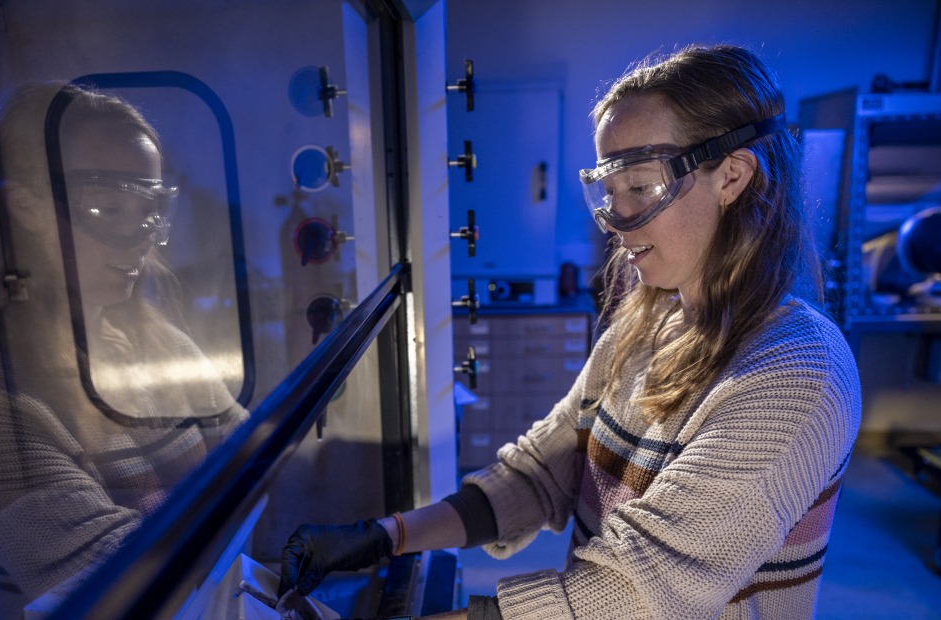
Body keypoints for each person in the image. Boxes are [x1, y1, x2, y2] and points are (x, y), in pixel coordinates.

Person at [277, 43, 861, 619]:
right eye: (609, 193)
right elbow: (540, 472)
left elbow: (636, 595)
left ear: (732, 176)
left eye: (641, 188)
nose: (617, 222)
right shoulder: (645, 326)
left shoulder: (798, 376)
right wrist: (384, 536)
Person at [0, 83, 247, 618]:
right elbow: (120, 576)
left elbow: (254, 456)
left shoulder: (155, 340)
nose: (139, 239)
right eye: (109, 208)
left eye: (148, 212)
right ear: (25, 208)